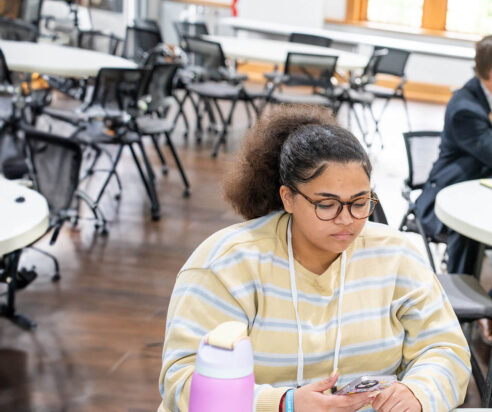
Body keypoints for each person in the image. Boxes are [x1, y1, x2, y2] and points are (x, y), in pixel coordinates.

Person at [159, 106, 470, 412]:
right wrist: (284, 404)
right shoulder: (227, 264)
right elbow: (183, 382)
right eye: (327, 204)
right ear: (288, 198)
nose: (346, 219)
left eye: (360, 202)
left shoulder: (396, 254)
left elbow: (446, 349)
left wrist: (417, 391)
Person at [412, 34, 492, 341]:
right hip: (451, 196)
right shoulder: (465, 108)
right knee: (466, 233)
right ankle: (452, 318)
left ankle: (489, 302)